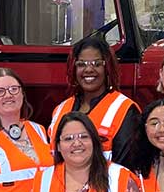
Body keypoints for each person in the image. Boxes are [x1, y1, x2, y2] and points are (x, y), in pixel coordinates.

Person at [48, 34, 140, 168]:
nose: (89, 69)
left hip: (106, 187)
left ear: (107, 68)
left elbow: (126, 169)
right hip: (62, 187)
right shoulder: (60, 110)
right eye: (81, 64)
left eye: (97, 64)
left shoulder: (125, 110)